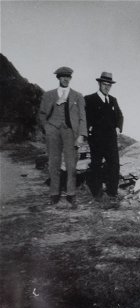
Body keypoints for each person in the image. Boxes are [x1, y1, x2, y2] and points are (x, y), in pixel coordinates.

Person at [37, 66, 87, 207]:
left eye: (68, 76)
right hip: (53, 131)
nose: (66, 79)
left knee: (71, 164)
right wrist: (47, 128)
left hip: (71, 132)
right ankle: (54, 194)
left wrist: (81, 135)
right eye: (63, 76)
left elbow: (83, 117)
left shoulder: (78, 96)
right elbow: (41, 114)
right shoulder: (48, 95)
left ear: (71, 78)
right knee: (54, 163)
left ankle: (71, 194)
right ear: (58, 78)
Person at [85, 72, 124, 201]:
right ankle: (97, 193)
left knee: (114, 164)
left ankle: (112, 192)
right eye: (104, 84)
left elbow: (120, 116)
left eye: (109, 85)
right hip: (96, 138)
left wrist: (118, 128)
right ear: (99, 84)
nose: (107, 87)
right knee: (96, 164)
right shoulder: (89, 99)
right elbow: (85, 118)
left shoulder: (113, 100)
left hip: (111, 138)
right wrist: (89, 130)